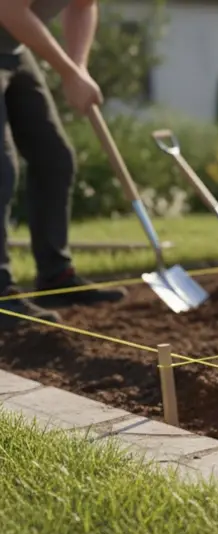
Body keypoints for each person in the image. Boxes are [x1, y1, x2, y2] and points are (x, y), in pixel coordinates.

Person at [0, 0, 126, 331]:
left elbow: (84, 5)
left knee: (54, 158)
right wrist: (67, 72)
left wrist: (80, 67)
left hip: (12, 46)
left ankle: (56, 276)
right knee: (2, 169)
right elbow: (10, 10)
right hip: (8, 24)